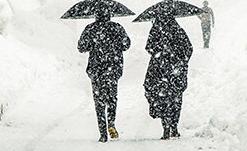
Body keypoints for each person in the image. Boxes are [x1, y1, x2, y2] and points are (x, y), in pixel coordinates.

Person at [77, 13, 131, 142]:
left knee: (99, 99)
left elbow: (81, 47)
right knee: (112, 97)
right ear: (110, 15)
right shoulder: (117, 28)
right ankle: (111, 123)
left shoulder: (90, 29)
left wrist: (92, 45)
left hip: (96, 69)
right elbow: (126, 45)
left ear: (96, 15)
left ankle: (102, 132)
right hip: (113, 68)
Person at [143, 12, 193, 139]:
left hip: (159, 70)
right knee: (176, 98)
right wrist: (181, 61)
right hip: (176, 70)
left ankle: (165, 128)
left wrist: (159, 54)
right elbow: (189, 48)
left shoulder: (155, 30)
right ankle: (174, 127)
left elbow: (148, 47)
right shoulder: (178, 30)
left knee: (162, 98)